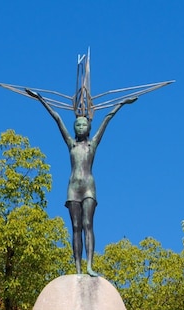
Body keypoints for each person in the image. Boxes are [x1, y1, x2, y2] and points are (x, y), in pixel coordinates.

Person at [26, 91, 136, 276]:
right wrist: (40, 99)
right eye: (77, 124)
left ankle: (89, 266)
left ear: (89, 127)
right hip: (73, 188)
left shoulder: (92, 145)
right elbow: (57, 118)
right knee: (76, 228)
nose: (80, 126)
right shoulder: (71, 144)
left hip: (88, 187)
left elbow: (107, 119)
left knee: (87, 224)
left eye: (84, 124)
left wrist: (122, 103)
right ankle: (77, 267)